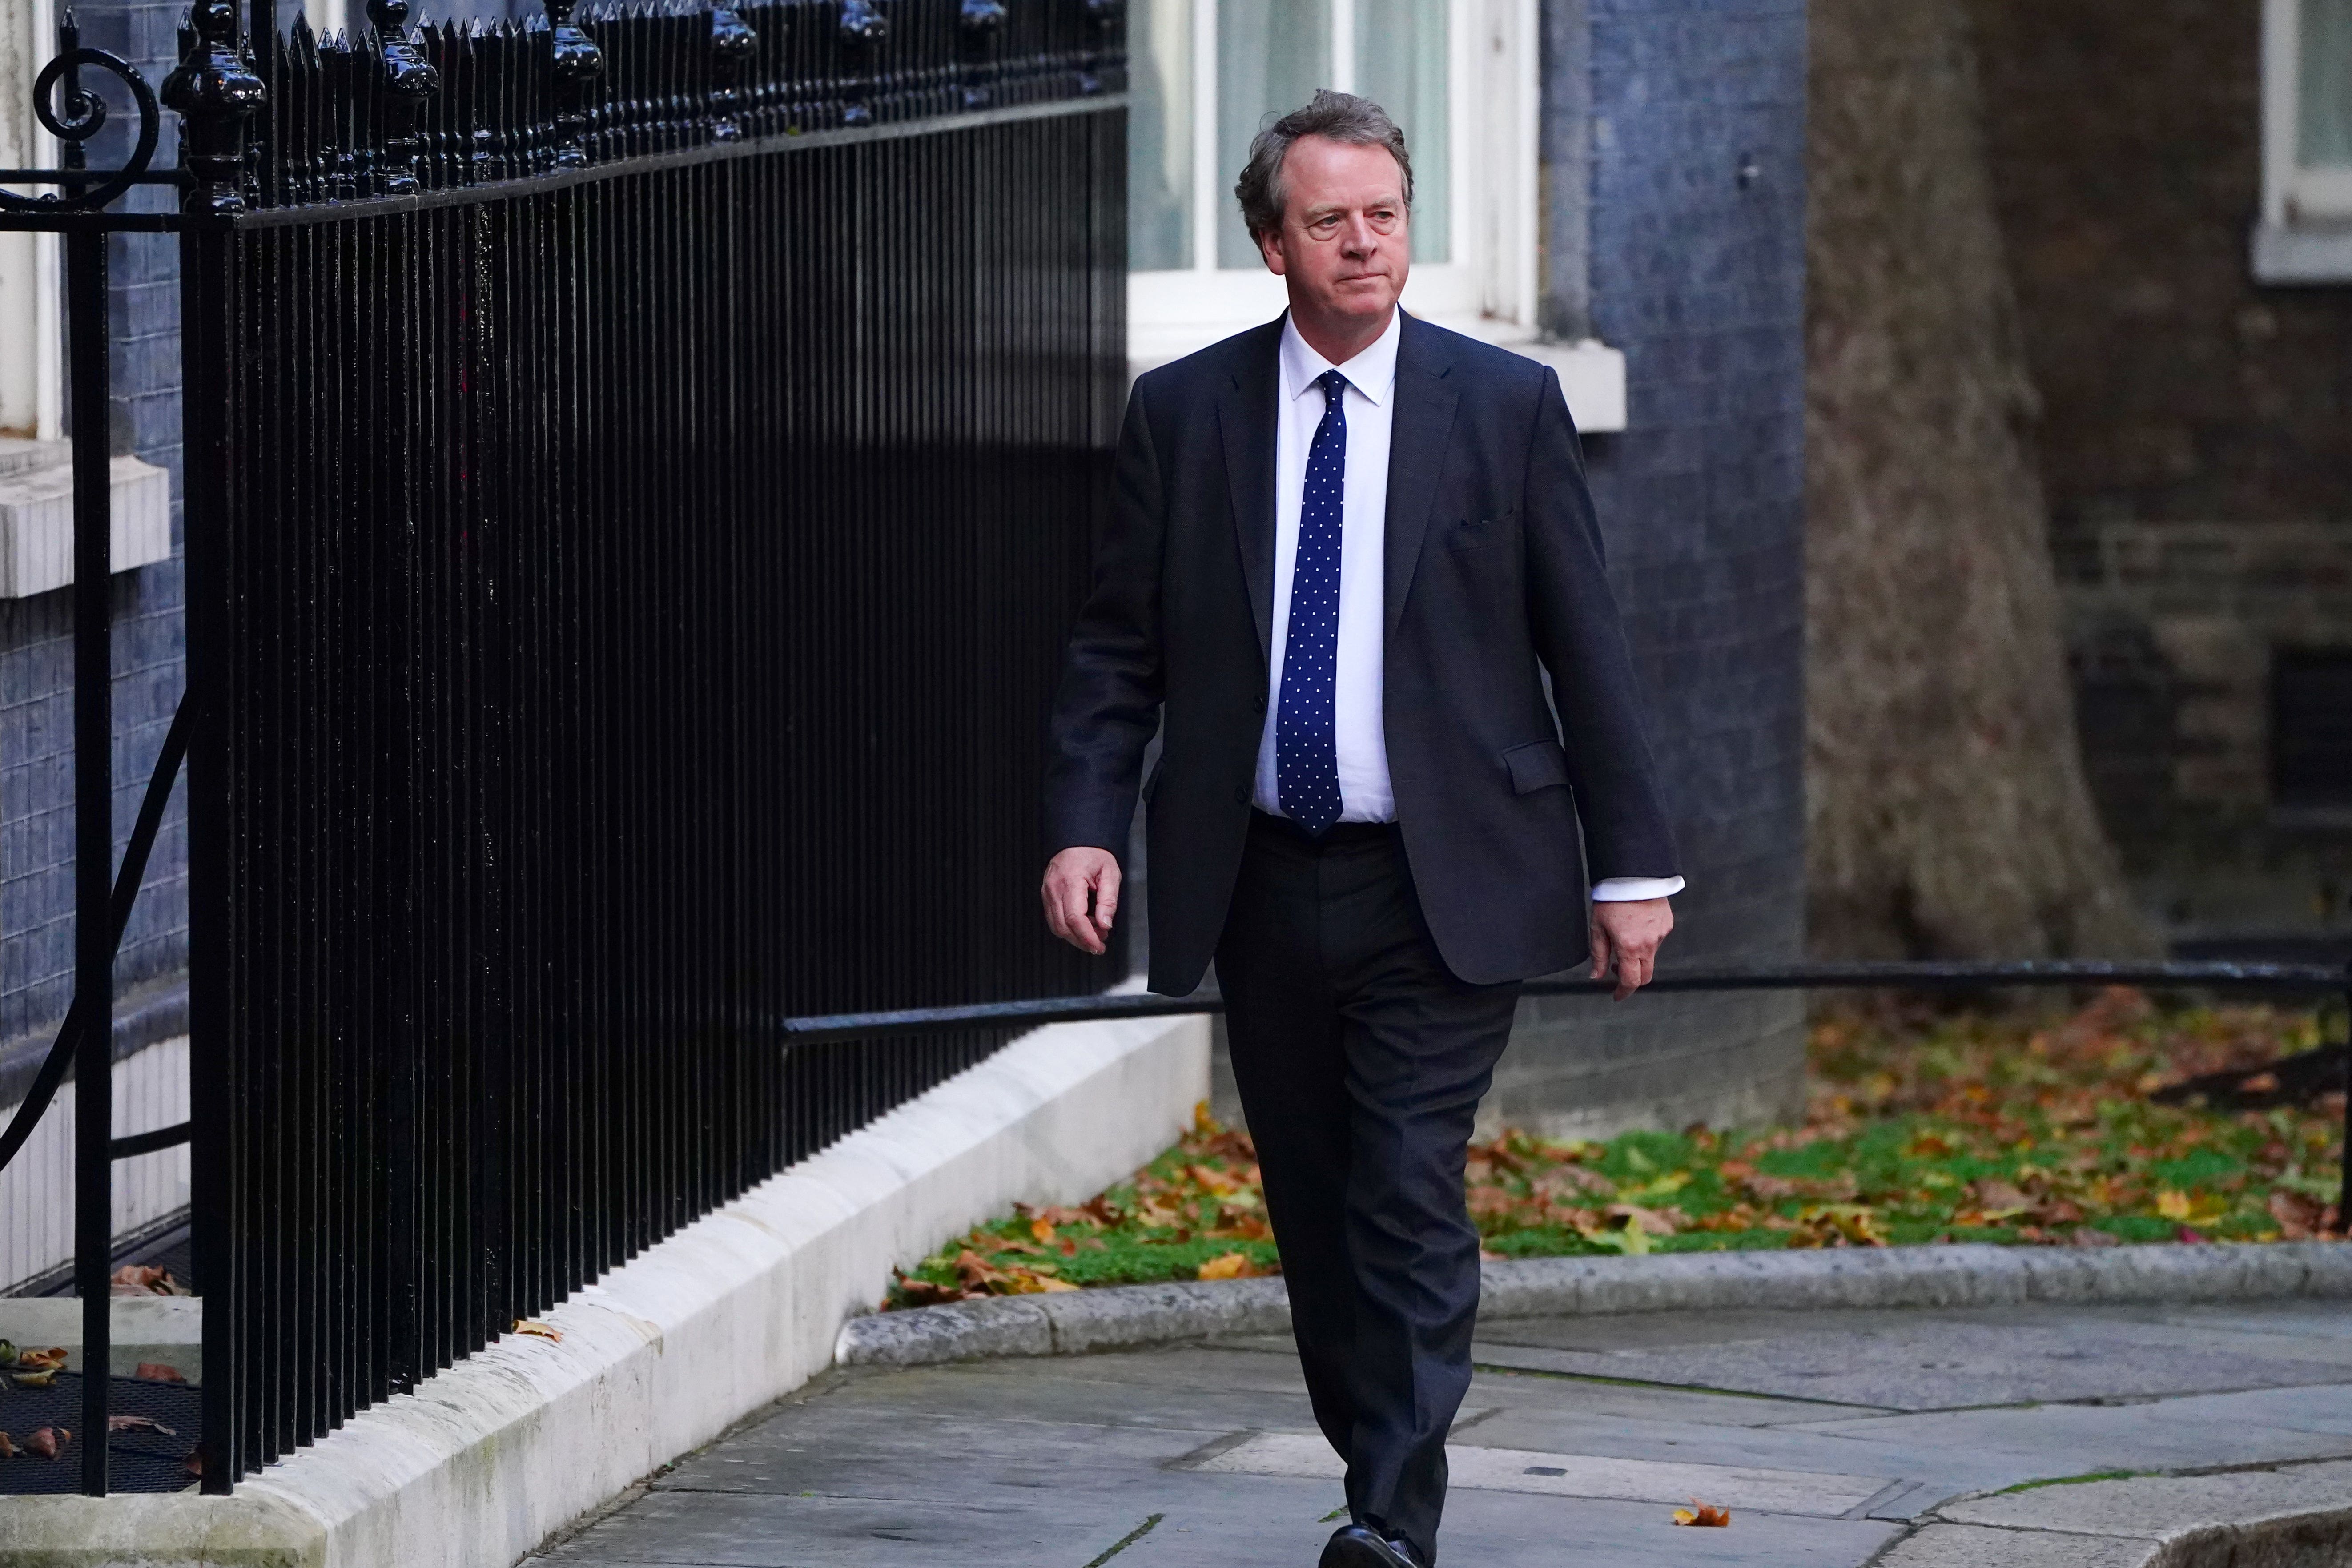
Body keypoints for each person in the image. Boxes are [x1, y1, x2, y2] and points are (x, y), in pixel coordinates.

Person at [1040, 90, 1682, 1568]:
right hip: (1258, 874)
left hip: (1444, 878)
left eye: (1382, 216)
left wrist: (1632, 870)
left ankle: (1390, 1521)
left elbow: (1587, 650)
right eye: (1325, 221)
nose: (1360, 245)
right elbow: (1114, 650)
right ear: (1273, 243)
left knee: (1403, 1185)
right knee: (1317, 1209)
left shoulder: (1501, 407)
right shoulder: (1185, 414)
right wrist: (1087, 824)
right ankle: (1375, 1459)